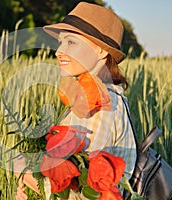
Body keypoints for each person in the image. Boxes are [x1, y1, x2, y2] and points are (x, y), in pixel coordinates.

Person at [15, 2, 137, 199]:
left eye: (71, 42)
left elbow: (84, 191)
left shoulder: (101, 106)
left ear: (100, 51)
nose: (59, 51)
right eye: (61, 42)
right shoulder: (93, 97)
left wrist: (24, 172)